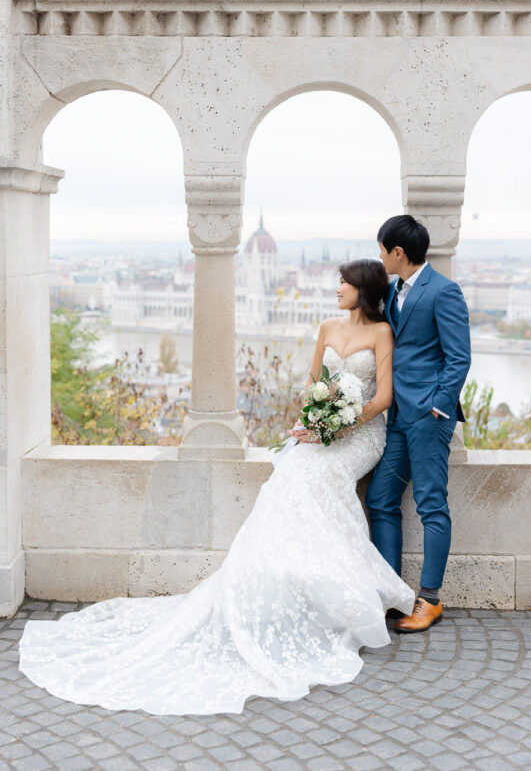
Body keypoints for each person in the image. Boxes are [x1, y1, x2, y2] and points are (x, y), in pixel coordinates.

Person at [19, 258, 415, 716]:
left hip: (361, 434)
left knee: (317, 475)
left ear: (363, 289)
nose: (337, 288)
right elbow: (312, 384)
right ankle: (279, 584)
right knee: (289, 472)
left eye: (343, 283)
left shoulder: (381, 333)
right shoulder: (327, 326)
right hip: (322, 428)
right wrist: (311, 421)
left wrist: (339, 428)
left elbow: (382, 397)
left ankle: (343, 590)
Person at [366, 215, 471, 633]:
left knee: (431, 505)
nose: (379, 256)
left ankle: (429, 599)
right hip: (397, 418)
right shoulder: (393, 291)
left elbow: (458, 356)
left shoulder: (444, 292)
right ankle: (393, 593)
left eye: (381, 249)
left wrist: (437, 408)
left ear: (398, 252)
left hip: (428, 418)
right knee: (380, 499)